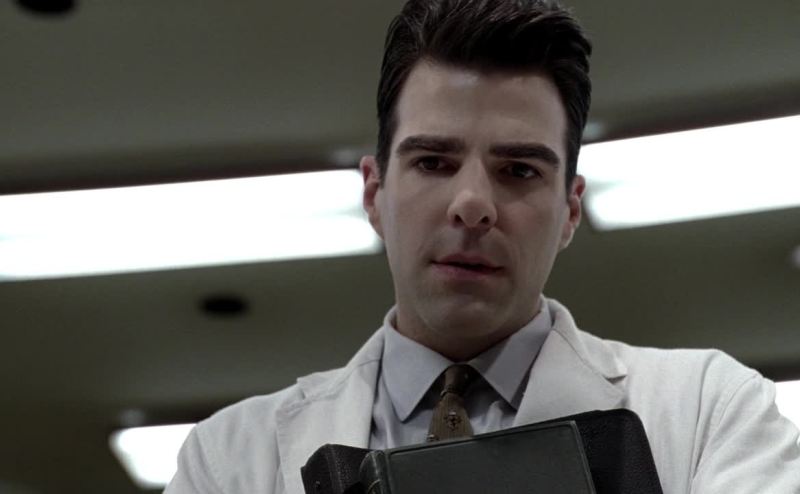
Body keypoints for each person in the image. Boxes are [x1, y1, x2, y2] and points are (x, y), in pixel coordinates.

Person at [165, 0, 800, 492]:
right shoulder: (228, 462)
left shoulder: (710, 411)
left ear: (570, 209)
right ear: (374, 192)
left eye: (519, 170)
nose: (473, 204)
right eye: (433, 162)